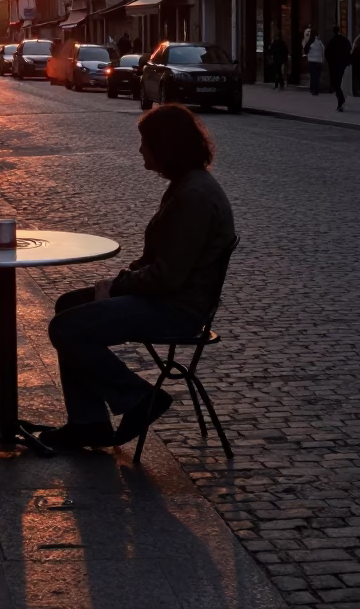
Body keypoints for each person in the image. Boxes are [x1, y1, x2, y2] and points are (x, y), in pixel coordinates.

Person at [41, 104, 236, 451]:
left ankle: (137, 399)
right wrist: (120, 282)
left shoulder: (192, 196)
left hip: (177, 308)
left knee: (66, 327)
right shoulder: (186, 185)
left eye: (145, 142)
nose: (140, 149)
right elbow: (162, 262)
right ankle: (89, 422)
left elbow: (167, 277)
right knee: (68, 305)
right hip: (171, 298)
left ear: (165, 146)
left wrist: (116, 286)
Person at [325, 25, 352, 112]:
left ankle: (341, 100)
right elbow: (349, 49)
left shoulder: (332, 42)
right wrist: (347, 61)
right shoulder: (344, 40)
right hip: (342, 65)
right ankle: (341, 100)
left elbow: (327, 53)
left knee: (336, 84)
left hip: (334, 66)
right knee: (338, 83)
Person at [306, 29, 324, 96]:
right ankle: (316, 89)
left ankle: (313, 89)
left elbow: (306, 50)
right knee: (317, 76)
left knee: (312, 76)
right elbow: (323, 50)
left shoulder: (310, 42)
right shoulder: (320, 42)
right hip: (319, 61)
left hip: (311, 61)